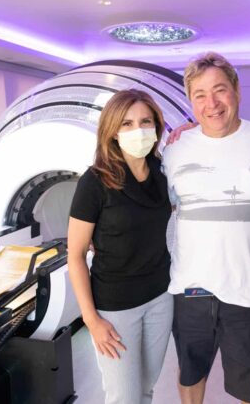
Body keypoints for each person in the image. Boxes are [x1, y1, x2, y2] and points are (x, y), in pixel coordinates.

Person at [163, 52, 250, 404]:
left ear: (237, 91)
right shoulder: (173, 149)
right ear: (190, 101)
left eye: (220, 90)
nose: (211, 103)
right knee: (190, 371)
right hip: (191, 289)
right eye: (199, 94)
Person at [67, 89, 173, 404]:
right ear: (112, 130)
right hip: (116, 309)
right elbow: (74, 255)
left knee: (146, 389)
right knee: (124, 398)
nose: (137, 130)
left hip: (160, 298)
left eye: (145, 121)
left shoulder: (160, 173)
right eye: (126, 123)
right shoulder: (95, 182)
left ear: (156, 126)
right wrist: (91, 320)